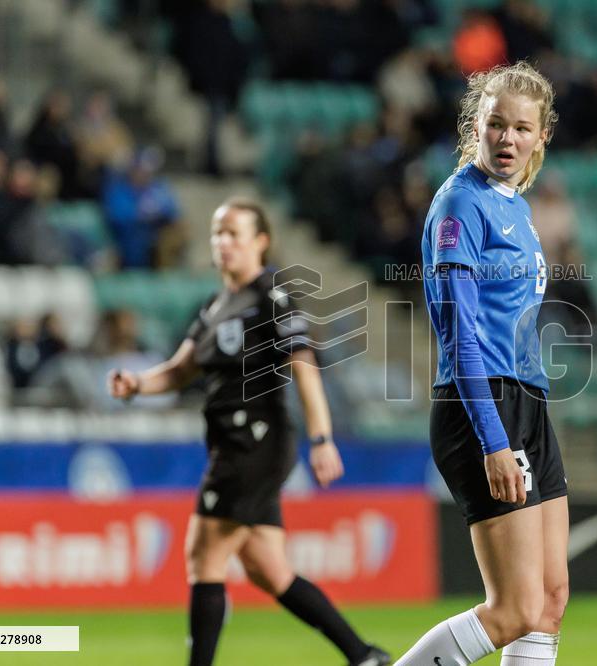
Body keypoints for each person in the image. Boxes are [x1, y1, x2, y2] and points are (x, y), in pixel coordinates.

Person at [107, 198, 390, 666]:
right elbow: (181, 370)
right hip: (230, 444)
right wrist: (137, 383)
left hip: (255, 441)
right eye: (217, 233)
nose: (222, 242)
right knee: (271, 572)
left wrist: (321, 438)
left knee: (203, 553)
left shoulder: (271, 295)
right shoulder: (214, 306)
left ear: (261, 242)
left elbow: (305, 365)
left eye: (233, 233)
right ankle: (363, 655)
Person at [401, 61, 568, 666]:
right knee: (514, 608)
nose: (507, 139)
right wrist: (494, 440)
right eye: (496, 124)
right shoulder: (460, 206)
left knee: (549, 600)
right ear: (475, 126)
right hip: (483, 405)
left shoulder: (515, 208)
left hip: (527, 400)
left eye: (522, 128)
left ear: (540, 137)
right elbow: (459, 334)